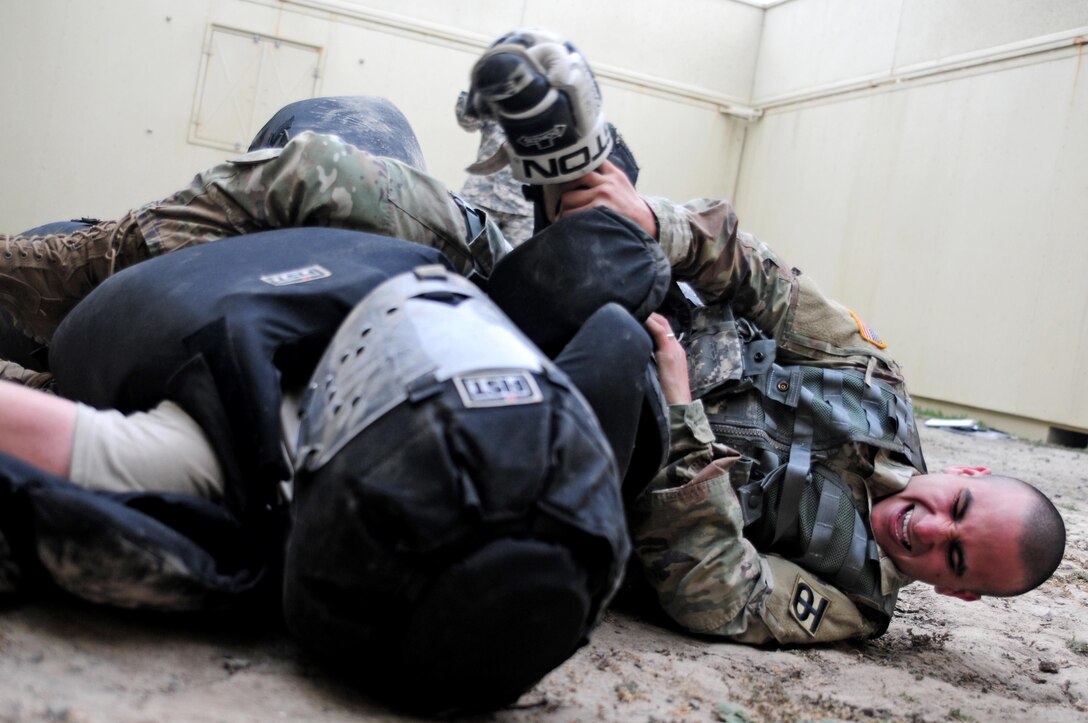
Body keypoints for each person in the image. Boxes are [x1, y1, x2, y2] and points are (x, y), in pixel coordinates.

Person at [455, 90, 535, 245]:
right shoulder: (497, 90)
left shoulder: (549, 102)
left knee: (517, 264)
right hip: (482, 198)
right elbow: (467, 122)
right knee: (462, 254)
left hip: (524, 208)